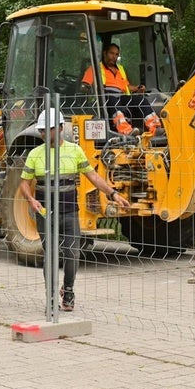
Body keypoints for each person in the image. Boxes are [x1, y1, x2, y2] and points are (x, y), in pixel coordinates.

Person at [18, 108, 131, 311]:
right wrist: (31, 200)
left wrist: (113, 194)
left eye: (48, 130)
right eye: (42, 130)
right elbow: (24, 183)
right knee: (50, 254)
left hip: (69, 211)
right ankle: (51, 298)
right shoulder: (35, 154)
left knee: (72, 253)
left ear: (60, 128)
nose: (44, 134)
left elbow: (94, 177)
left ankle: (68, 291)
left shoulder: (75, 150)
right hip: (45, 213)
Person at [80, 42, 162, 135]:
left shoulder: (120, 69)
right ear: (105, 53)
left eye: (116, 54)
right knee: (112, 101)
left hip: (121, 97)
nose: (114, 57)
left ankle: (155, 128)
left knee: (141, 100)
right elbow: (85, 84)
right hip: (104, 97)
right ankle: (126, 130)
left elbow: (126, 86)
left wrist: (137, 88)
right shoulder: (95, 68)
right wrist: (88, 87)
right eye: (111, 53)